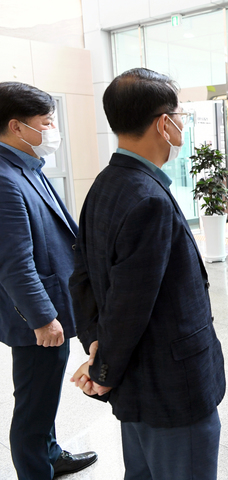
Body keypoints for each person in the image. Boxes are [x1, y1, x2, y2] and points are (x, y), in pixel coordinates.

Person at [68, 68, 226, 479]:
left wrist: (97, 346)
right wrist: (103, 371)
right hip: (171, 388)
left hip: (137, 382)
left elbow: (81, 275)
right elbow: (130, 304)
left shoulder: (105, 184)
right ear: (164, 123)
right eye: (180, 115)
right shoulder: (148, 198)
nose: (182, 125)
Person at [0, 82, 98, 479]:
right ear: (16, 127)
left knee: (45, 394)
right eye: (47, 122)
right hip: (35, 320)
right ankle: (35, 470)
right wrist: (43, 318)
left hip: (52, 303)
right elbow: (13, 262)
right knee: (33, 406)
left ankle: (52, 454)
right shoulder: (4, 180)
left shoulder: (26, 166)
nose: (52, 130)